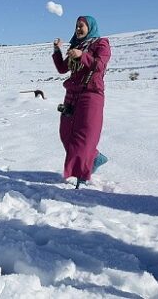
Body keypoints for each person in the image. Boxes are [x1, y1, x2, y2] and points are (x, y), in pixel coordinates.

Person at [52, 16, 110, 189]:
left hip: (91, 94)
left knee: (84, 137)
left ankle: (82, 178)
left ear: (90, 27)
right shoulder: (75, 46)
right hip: (72, 94)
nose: (78, 29)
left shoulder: (101, 44)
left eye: (81, 26)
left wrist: (82, 55)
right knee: (66, 134)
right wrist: (57, 51)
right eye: (76, 26)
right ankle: (95, 157)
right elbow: (63, 69)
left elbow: (100, 65)